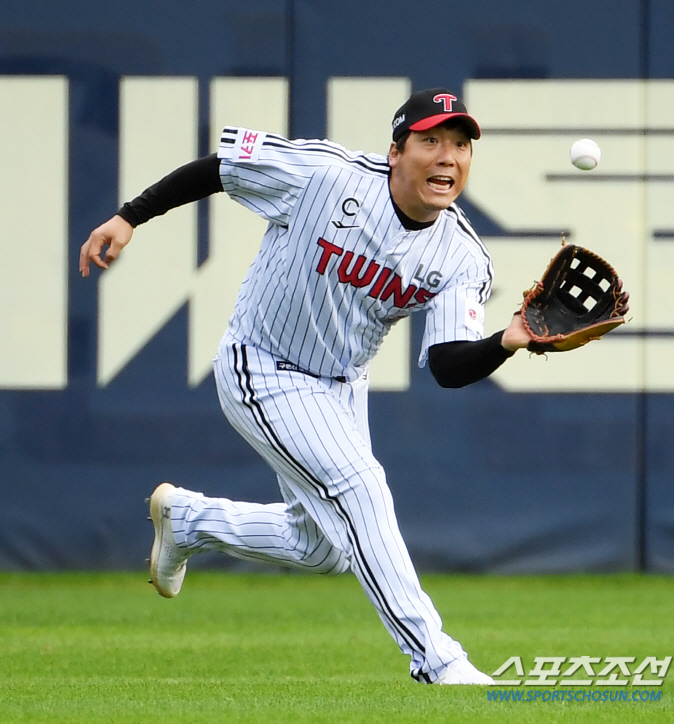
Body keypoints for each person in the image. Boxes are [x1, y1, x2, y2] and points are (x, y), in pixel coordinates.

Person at [80, 88, 533, 685]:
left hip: (341, 388)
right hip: (261, 363)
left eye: (460, 145)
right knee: (363, 487)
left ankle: (190, 520)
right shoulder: (326, 175)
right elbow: (221, 169)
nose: (447, 157)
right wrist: (129, 215)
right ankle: (438, 659)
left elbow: (448, 365)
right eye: (430, 141)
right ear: (396, 151)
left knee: (325, 548)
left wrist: (510, 339)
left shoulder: (462, 256)